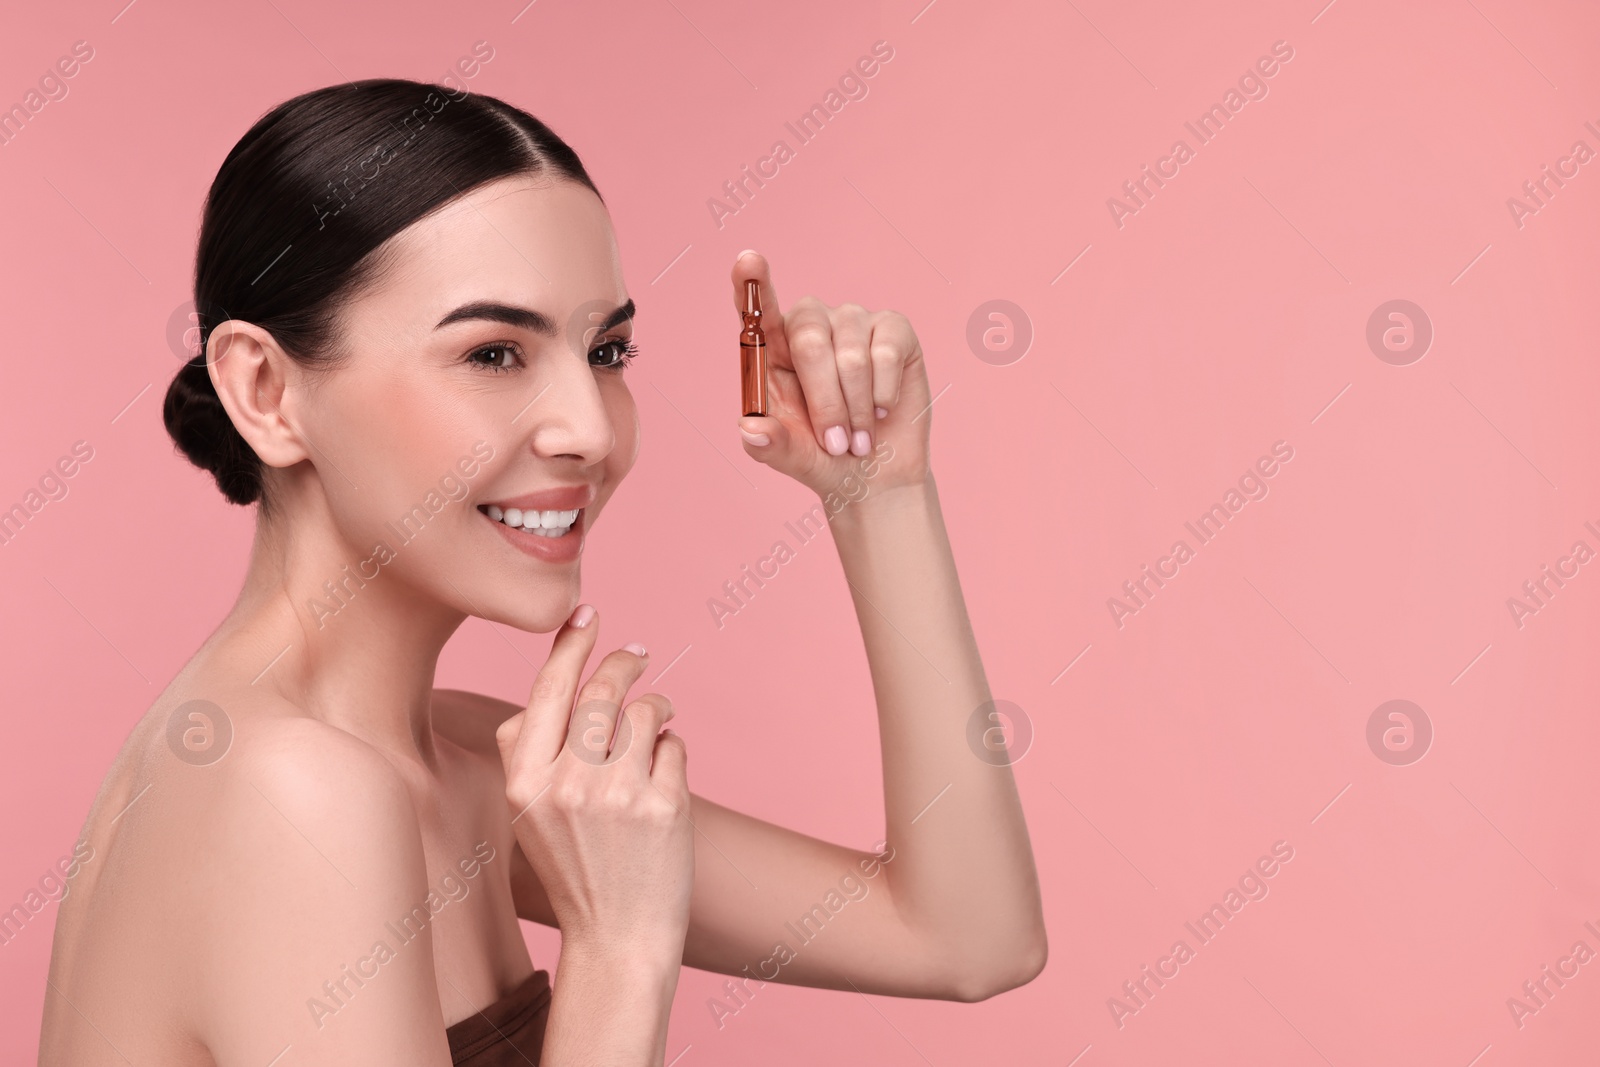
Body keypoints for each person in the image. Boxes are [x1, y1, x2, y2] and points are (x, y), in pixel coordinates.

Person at [38, 78, 1046, 1066]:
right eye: (493, 354)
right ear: (265, 389)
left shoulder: (464, 758)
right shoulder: (292, 791)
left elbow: (964, 937)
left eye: (606, 351)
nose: (588, 429)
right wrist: (618, 949)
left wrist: (880, 493)